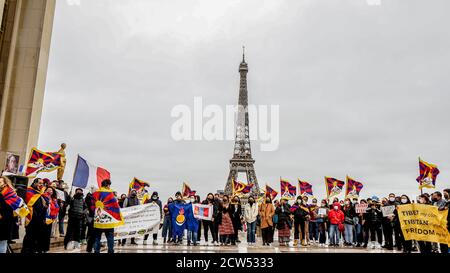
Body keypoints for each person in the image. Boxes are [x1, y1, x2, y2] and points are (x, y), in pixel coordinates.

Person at [92, 179, 124, 254]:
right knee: (110, 238)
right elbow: (115, 206)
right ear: (107, 185)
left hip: (98, 220)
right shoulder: (110, 194)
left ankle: (96, 251)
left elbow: (92, 206)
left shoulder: (95, 193)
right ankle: (110, 251)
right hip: (108, 221)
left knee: (97, 237)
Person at [22, 178, 47, 253]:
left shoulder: (39, 193)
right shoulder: (29, 191)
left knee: (35, 237)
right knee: (29, 237)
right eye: (39, 183)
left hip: (39, 219)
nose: (41, 185)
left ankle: (32, 250)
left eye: (42, 184)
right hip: (31, 218)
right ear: (34, 183)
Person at [0, 176, 22, 253]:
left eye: (0, 182)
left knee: (2, 243)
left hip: (5, 222)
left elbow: (15, 208)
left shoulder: (11, 194)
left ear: (5, 183)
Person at [42, 186, 59, 253]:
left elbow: (56, 208)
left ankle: (46, 248)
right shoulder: (43, 197)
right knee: (42, 234)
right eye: (48, 190)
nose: (49, 191)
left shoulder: (54, 199)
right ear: (45, 191)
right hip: (43, 218)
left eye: (51, 190)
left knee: (47, 234)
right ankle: (40, 248)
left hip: (50, 219)